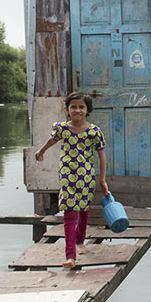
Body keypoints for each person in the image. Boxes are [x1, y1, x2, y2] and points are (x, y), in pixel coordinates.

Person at [35, 92, 110, 269]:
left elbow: (102, 156)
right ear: (67, 110)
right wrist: (42, 151)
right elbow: (52, 140)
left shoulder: (94, 132)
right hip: (67, 175)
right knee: (69, 212)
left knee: (83, 209)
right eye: (73, 107)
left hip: (86, 176)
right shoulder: (62, 129)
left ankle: (80, 240)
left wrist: (102, 180)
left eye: (81, 107)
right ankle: (70, 256)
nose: (77, 110)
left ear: (87, 110)